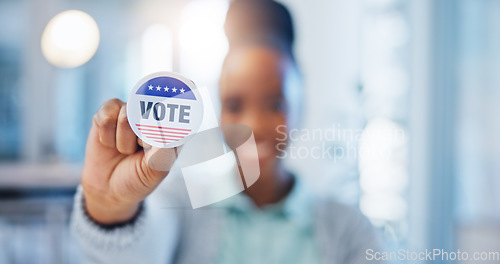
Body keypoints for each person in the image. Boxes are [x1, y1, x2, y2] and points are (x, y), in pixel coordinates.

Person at [70, 0, 384, 263]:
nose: (254, 126)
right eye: (234, 104)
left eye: (274, 103)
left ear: (300, 106)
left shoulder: (349, 230)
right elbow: (130, 255)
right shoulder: (181, 202)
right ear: (218, 110)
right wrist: (109, 206)